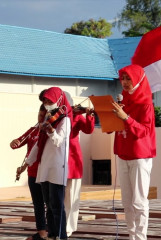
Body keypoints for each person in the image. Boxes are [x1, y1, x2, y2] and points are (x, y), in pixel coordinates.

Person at [111, 64, 156, 240]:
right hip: (123, 153)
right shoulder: (123, 102)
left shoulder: (145, 103)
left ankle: (140, 237)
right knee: (126, 202)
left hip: (140, 156)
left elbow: (144, 131)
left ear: (138, 79)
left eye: (128, 78)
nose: (124, 82)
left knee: (139, 200)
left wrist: (126, 118)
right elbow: (112, 127)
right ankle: (131, 236)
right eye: (123, 78)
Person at [26, 87, 73, 240]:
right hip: (45, 166)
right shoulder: (48, 118)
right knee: (48, 205)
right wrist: (28, 161)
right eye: (45, 101)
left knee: (57, 205)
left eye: (49, 101)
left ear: (59, 100)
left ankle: (61, 235)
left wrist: (51, 130)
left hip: (57, 166)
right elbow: (39, 144)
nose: (47, 104)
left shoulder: (65, 120)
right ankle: (52, 234)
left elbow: (59, 141)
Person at [11, 104, 47, 240]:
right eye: (39, 116)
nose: (41, 119)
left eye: (44, 117)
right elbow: (19, 142)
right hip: (32, 173)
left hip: (46, 173)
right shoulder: (32, 131)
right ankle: (42, 231)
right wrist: (13, 142)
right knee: (38, 204)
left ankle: (52, 229)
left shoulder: (50, 130)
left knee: (50, 204)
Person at [65, 103, 95, 236]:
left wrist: (88, 115)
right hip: (58, 158)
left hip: (72, 158)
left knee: (72, 195)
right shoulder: (60, 115)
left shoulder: (77, 116)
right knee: (56, 196)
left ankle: (68, 227)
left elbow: (88, 130)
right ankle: (57, 224)